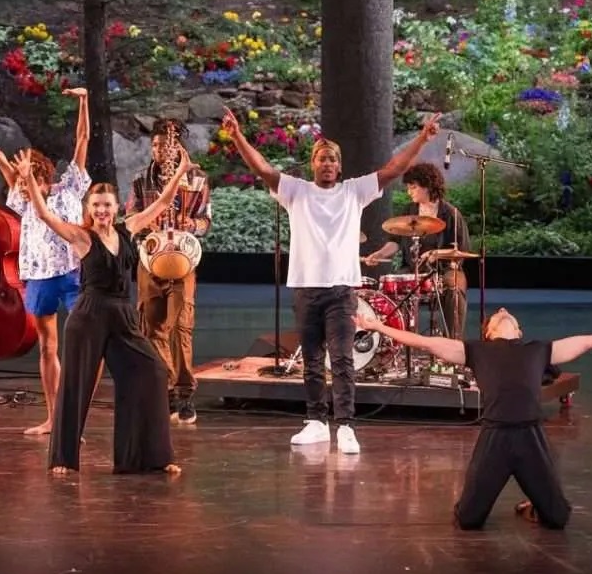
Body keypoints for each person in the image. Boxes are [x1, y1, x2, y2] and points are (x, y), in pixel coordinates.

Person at [220, 109, 442, 455]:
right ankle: (316, 422)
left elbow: (394, 168)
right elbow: (262, 168)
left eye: (333, 159)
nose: (327, 163)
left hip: (341, 291)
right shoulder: (296, 191)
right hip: (307, 289)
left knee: (341, 360)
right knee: (311, 361)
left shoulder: (354, 191)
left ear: (339, 167)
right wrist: (236, 136)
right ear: (313, 164)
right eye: (322, 158)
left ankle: (346, 426)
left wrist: (423, 139)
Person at [356, 305, 592, 528]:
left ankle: (532, 503)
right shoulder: (476, 351)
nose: (502, 310)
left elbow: (587, 342)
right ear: (488, 333)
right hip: (495, 438)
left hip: (530, 437)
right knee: (469, 520)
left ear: (519, 332)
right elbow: (423, 342)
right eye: (497, 315)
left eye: (507, 314)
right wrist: (379, 326)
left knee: (558, 518)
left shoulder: (539, 350)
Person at [12, 148, 189, 477]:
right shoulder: (82, 236)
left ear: (116, 207)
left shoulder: (127, 229)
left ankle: (150, 457)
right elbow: (45, 216)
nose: (102, 210)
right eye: (96, 205)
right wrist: (28, 180)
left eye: (107, 205)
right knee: (75, 385)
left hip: (122, 315)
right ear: (89, 209)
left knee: (152, 371)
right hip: (89, 315)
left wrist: (179, 173)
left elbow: (162, 203)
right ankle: (63, 458)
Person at [0, 88, 91, 436]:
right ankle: (54, 419)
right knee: (48, 347)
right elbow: (1, 163)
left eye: (30, 178)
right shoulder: (22, 196)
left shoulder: (69, 188)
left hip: (72, 274)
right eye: (22, 181)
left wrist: (84, 102)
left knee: (83, 344)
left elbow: (82, 139)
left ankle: (73, 419)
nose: (24, 185)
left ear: (43, 174)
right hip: (39, 277)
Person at [127, 118, 212, 425]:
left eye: (166, 145)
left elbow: (205, 220)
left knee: (181, 327)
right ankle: (165, 391)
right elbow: (131, 215)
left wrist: (193, 224)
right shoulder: (141, 179)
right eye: (156, 145)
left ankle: (185, 392)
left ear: (178, 147)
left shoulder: (198, 179)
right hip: (150, 260)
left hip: (182, 262)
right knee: (152, 328)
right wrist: (144, 223)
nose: (160, 150)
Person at [363, 162, 470, 338]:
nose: (409, 192)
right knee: (389, 285)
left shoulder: (451, 213)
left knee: (454, 288)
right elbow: (395, 241)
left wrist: (436, 254)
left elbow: (461, 250)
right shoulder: (409, 210)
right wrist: (379, 254)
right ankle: (395, 340)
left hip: (445, 270)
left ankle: (454, 340)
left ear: (427, 186)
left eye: (413, 187)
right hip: (412, 268)